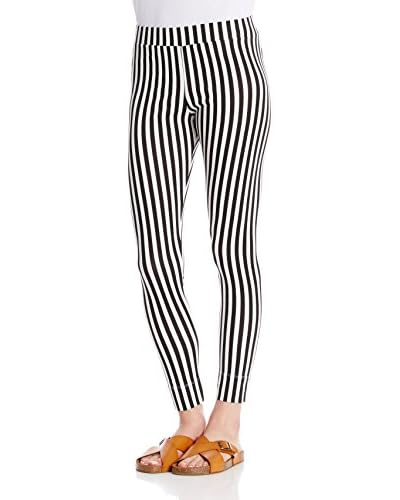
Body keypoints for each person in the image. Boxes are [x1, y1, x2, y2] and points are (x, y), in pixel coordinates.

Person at [128, 0, 271, 475]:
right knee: (155, 251)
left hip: (227, 52)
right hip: (153, 60)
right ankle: (190, 419)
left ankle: (226, 422)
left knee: (232, 247)